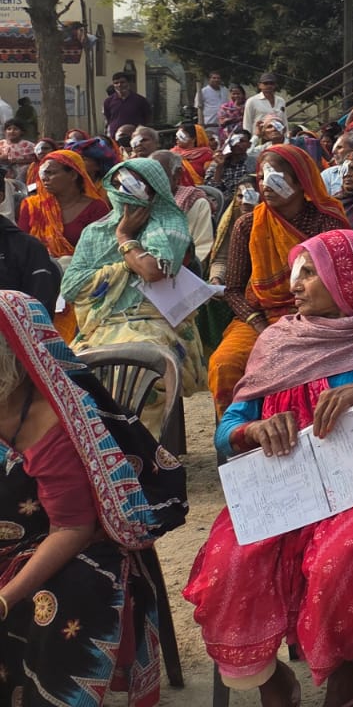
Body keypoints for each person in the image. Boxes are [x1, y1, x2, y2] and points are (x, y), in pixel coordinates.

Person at [186, 230, 353, 706]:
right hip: (286, 482)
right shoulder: (278, 341)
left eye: (309, 272)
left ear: (348, 278)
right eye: (297, 271)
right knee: (231, 560)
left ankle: (344, 682)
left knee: (341, 558)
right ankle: (273, 684)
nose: (295, 284)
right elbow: (228, 427)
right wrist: (251, 431)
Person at [0, 289, 187, 707]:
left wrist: (4, 598)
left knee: (62, 597)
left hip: (67, 544)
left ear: (11, 355)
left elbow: (72, 527)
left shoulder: (53, 425)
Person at [209, 144, 348, 412]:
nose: (266, 185)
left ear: (299, 180)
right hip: (260, 317)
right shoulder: (248, 224)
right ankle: (236, 439)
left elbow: (341, 282)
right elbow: (234, 290)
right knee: (224, 364)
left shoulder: (326, 223)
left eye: (275, 177)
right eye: (261, 178)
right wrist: (261, 326)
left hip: (318, 315)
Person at [62, 156, 207, 389]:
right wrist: (126, 265)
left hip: (158, 322)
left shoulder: (170, 226)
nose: (123, 192)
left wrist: (124, 237)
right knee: (70, 376)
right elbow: (71, 286)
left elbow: (151, 271)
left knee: (135, 370)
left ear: (153, 189)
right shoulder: (94, 232)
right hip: (105, 323)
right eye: (118, 185)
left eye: (133, 185)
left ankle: (142, 427)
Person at [17, 149, 107, 339]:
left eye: (51, 173)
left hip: (83, 282)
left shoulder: (96, 208)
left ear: (73, 174)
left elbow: (102, 252)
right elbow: (22, 248)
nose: (44, 178)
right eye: (43, 174)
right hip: (40, 280)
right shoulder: (32, 206)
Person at [101, 71, 151, 137]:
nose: (119, 85)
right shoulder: (108, 101)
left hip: (135, 137)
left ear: (128, 83)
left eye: (122, 82)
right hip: (115, 137)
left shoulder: (140, 100)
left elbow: (147, 118)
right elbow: (108, 118)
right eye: (116, 83)